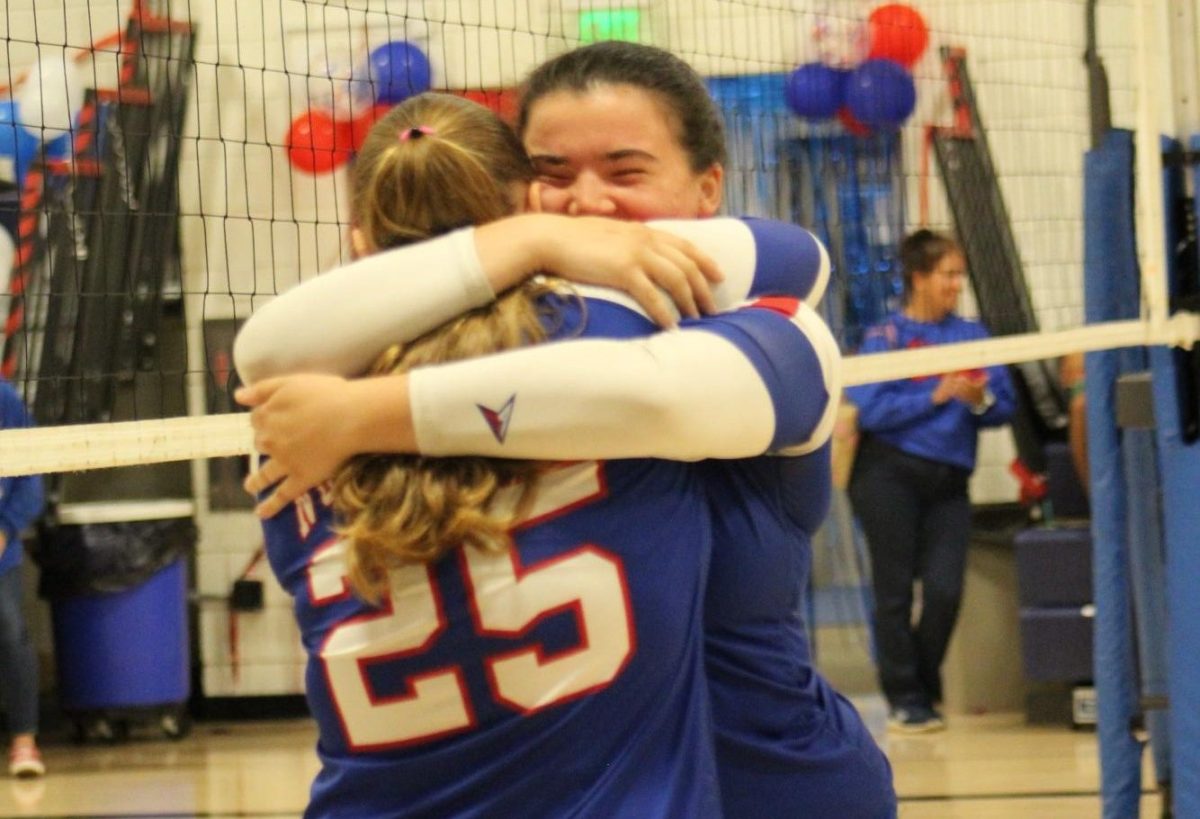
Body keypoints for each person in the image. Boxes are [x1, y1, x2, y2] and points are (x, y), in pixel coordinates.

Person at [236, 42, 892, 818]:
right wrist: (532, 244)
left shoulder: (310, 402)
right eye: (552, 177)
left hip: (774, 782)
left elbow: (680, 374)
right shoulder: (590, 333)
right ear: (511, 196)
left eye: (625, 172)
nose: (588, 207)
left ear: (709, 187)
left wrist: (365, 414)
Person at [846, 228, 1016, 733]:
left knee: (944, 591)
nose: (955, 285)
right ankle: (906, 699)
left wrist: (975, 399)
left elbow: (1002, 406)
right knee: (894, 591)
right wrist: (936, 396)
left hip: (948, 481)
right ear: (918, 277)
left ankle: (920, 683)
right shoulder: (886, 337)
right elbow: (873, 411)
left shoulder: (972, 336)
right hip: (887, 474)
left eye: (959, 275)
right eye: (948, 275)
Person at [0, 379, 45, 778]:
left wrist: (5, 528)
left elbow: (32, 478)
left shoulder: (5, 401)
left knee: (11, 632)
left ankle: (23, 742)